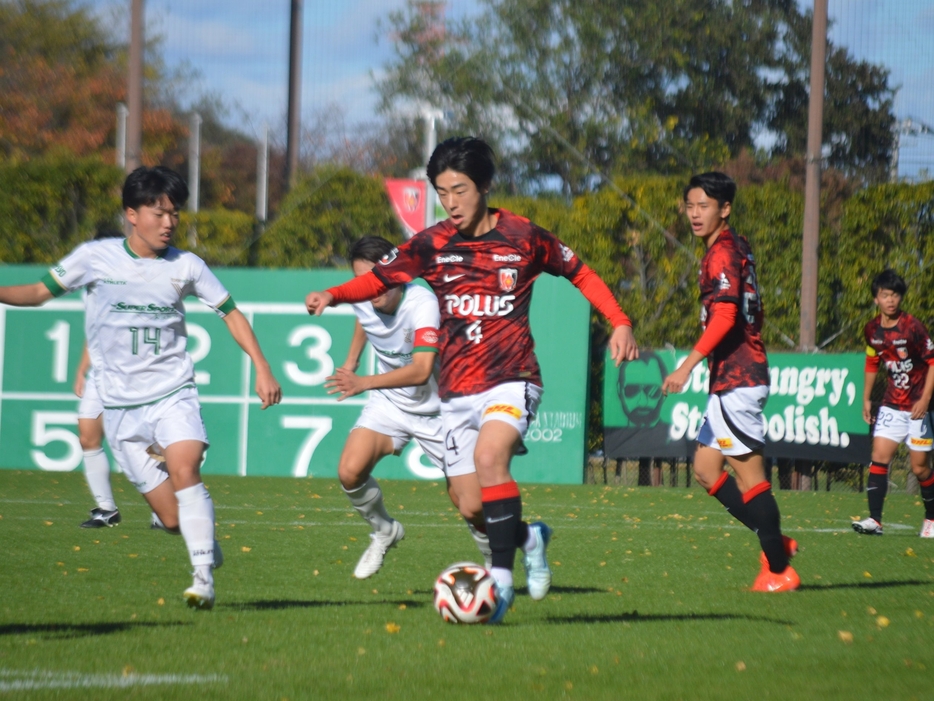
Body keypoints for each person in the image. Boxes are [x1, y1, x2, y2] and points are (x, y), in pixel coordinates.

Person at [306, 136, 638, 622]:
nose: (451, 202)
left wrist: (620, 319)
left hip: (512, 377)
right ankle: (529, 537)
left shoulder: (524, 236)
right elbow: (379, 279)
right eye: (442, 191)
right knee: (469, 506)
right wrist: (334, 294)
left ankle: (499, 587)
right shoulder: (432, 243)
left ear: (484, 186)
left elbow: (579, 272)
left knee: (489, 457)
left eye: (459, 189)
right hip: (457, 392)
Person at [0, 166, 282, 609]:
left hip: (173, 393)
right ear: (132, 214)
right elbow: (38, 292)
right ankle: (199, 538)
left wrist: (262, 366)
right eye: (159, 212)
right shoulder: (95, 257)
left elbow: (230, 312)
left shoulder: (187, 266)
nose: (169, 222)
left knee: (186, 466)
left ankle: (202, 576)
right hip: (120, 408)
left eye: (174, 213)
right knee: (170, 519)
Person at [661, 171, 799, 592]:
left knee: (752, 479)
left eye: (704, 205)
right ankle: (778, 542)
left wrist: (686, 366)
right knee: (706, 469)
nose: (695, 213)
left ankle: (778, 569)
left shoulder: (722, 253)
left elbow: (725, 315)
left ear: (725, 209)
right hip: (729, 380)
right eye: (690, 205)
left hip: (738, 378)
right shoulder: (735, 245)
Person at [326, 235, 491, 578]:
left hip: (442, 411)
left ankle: (493, 563)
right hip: (391, 404)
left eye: (379, 278)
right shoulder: (366, 294)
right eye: (364, 281)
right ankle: (384, 530)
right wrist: (351, 361)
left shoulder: (422, 303)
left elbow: (420, 371)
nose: (372, 288)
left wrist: (362, 382)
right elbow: (364, 319)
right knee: (350, 471)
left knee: (471, 505)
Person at [853, 269, 934, 538]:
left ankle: (932, 518)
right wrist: (866, 398)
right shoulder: (872, 330)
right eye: (885, 295)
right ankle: (875, 520)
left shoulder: (912, 326)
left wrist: (925, 399)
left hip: (918, 408)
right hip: (890, 405)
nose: (891, 300)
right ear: (876, 298)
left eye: (895, 295)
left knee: (919, 468)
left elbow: (933, 362)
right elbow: (872, 361)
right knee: (879, 457)